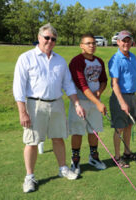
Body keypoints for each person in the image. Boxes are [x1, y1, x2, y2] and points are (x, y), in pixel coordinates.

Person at [13, 23, 85, 193]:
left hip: (57, 103)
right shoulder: (26, 58)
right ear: (39, 38)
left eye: (53, 39)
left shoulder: (60, 60)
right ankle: (29, 177)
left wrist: (76, 103)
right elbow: (19, 88)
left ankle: (63, 168)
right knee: (32, 142)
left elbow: (68, 85)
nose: (50, 41)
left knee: (58, 138)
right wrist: (22, 112)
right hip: (34, 104)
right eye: (46, 37)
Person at [68, 34, 108, 175]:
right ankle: (75, 160)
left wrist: (99, 92)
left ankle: (94, 157)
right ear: (81, 45)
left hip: (94, 102)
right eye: (88, 43)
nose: (91, 46)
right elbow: (82, 85)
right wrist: (97, 102)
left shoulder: (99, 61)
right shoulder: (76, 62)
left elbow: (103, 80)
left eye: (93, 43)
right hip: (80, 102)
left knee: (94, 131)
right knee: (78, 131)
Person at [108, 30, 136, 168]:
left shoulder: (132, 57)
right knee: (119, 127)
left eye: (128, 40)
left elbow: (135, 77)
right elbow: (114, 84)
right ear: (118, 42)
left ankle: (127, 153)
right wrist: (122, 102)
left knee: (129, 125)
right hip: (119, 98)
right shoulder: (115, 59)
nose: (126, 43)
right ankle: (117, 157)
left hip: (132, 96)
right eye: (123, 41)